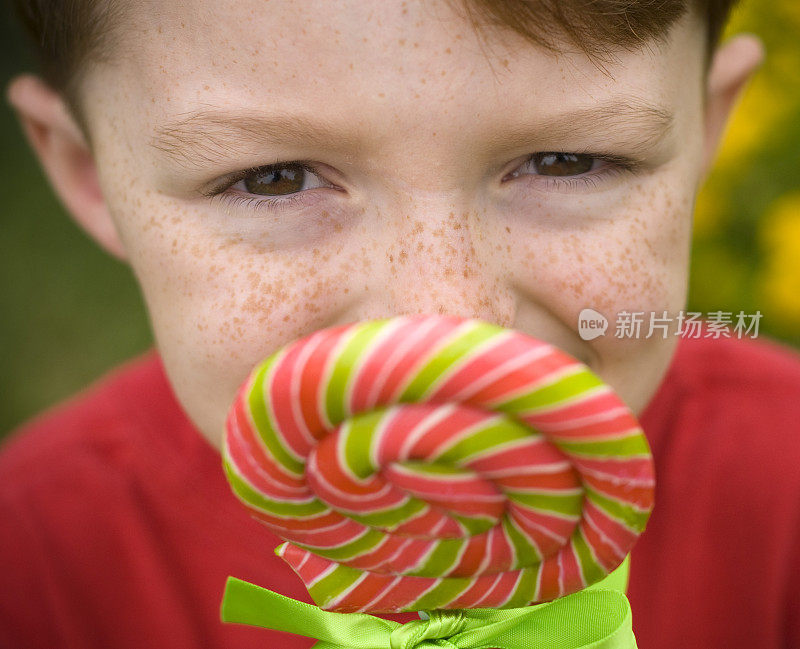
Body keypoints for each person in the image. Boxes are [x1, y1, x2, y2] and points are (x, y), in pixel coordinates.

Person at [1, 0, 798, 647]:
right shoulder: (34, 565)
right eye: (275, 178)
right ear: (92, 174)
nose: (445, 317)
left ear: (708, 128)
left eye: (569, 161)